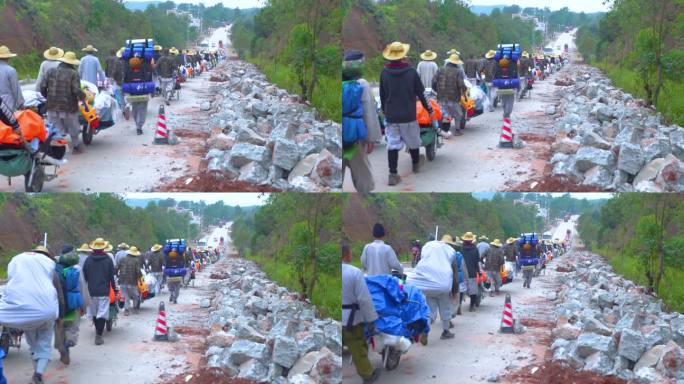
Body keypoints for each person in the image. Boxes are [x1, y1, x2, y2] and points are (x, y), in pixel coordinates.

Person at [0, 246, 64, 384]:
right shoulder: (50, 268)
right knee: (44, 345)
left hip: (25, 313)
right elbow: (58, 294)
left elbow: (12, 283)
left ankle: (37, 373)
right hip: (46, 313)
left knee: (34, 346)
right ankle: (38, 374)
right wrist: (60, 315)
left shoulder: (18, 261)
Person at [379, 42, 433, 186]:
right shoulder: (411, 73)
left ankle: (392, 174)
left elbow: (382, 95)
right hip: (408, 115)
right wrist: (430, 111)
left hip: (391, 116)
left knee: (392, 144)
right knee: (414, 141)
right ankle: (415, 164)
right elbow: (422, 94)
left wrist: (385, 112)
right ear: (403, 56)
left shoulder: (384, 73)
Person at [342, 50, 382, 194]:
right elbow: (369, 113)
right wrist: (371, 139)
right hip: (354, 138)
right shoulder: (362, 83)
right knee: (364, 177)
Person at [342, 244, 380, 384]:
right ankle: (368, 375)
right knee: (357, 346)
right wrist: (371, 320)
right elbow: (364, 299)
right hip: (351, 319)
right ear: (346, 254)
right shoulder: (354, 272)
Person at [407, 236, 457, 340]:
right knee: (445, 309)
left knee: (430, 311)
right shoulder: (450, 254)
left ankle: (425, 330)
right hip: (443, 287)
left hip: (428, 287)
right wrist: (454, 290)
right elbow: (454, 274)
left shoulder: (429, 252)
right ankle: (446, 331)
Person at [40, 51, 86, 152]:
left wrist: (49, 97)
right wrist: (83, 96)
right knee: (73, 127)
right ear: (72, 63)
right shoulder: (73, 73)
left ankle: (57, 149)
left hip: (52, 105)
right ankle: (75, 146)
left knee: (56, 127)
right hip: (68, 106)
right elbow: (75, 90)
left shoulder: (50, 71)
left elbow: (42, 87)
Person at [54, 245, 89, 365]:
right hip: (73, 303)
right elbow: (82, 287)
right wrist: (84, 305)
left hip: (58, 304)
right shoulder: (77, 269)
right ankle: (69, 343)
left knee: (60, 328)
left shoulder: (54, 267)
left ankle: (62, 349)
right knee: (72, 327)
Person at [82, 238, 117, 345]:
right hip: (104, 291)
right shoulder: (108, 260)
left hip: (91, 291)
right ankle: (98, 335)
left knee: (94, 313)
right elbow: (112, 277)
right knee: (102, 314)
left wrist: (84, 290)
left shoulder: (88, 260)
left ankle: (98, 332)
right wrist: (115, 289)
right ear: (103, 248)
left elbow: (84, 277)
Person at [432, 53, 466, 137]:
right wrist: (464, 91)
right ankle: (457, 130)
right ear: (456, 63)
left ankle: (441, 130)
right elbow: (460, 84)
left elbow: (433, 81)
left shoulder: (440, 69)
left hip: (441, 96)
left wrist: (436, 91)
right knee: (458, 114)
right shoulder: (459, 71)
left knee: (442, 113)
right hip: (453, 97)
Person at [123, 52, 153, 135]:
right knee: (142, 110)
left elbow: (125, 82)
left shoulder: (128, 71)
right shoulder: (143, 69)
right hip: (143, 93)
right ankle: (139, 126)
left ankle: (137, 124)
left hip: (133, 94)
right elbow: (147, 80)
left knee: (135, 110)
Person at [117, 246, 143, 316]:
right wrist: (140, 277)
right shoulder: (136, 260)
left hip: (122, 281)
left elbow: (116, 268)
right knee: (135, 296)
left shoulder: (122, 259)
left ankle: (126, 310)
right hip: (132, 281)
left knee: (126, 296)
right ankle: (135, 309)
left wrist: (117, 276)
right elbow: (138, 271)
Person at [460, 232, 481, 312]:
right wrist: (479, 272)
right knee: (473, 291)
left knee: (461, 290)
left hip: (462, 273)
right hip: (472, 273)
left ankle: (458, 307)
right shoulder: (475, 249)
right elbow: (477, 262)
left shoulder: (461, 249)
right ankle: (471, 306)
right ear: (472, 240)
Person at [0, 46, 24, 112]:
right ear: (8, 58)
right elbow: (16, 90)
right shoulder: (11, 70)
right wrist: (21, 104)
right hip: (8, 104)